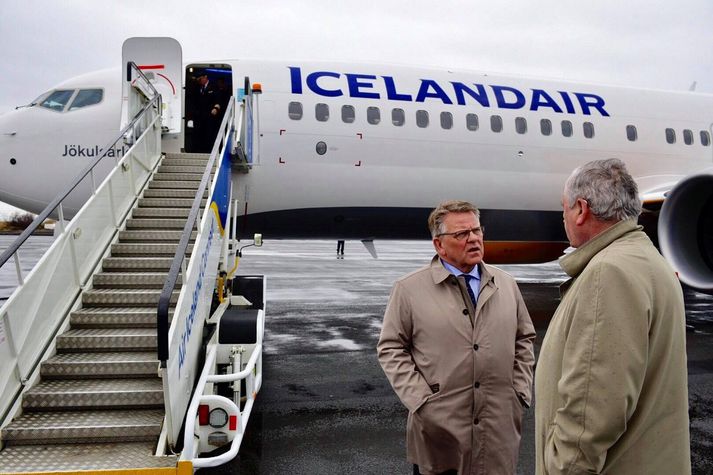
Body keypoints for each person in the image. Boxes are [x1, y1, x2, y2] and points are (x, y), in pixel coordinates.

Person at [535, 158, 690, 474]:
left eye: (564, 209)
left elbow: (593, 409)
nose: (563, 218)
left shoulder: (608, 272)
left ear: (581, 210)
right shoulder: (647, 260)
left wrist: (563, 468)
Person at [377, 200, 536, 475]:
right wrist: (421, 401)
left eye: (476, 230)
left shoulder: (506, 284)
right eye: (461, 234)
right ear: (439, 245)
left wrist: (518, 392)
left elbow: (524, 338)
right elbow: (391, 348)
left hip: (497, 432)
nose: (473, 238)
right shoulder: (409, 289)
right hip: (439, 433)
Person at [193, 73, 224, 152]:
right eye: (198, 80)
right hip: (201, 116)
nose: (200, 81)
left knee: (210, 134)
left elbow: (219, 100)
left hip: (211, 115)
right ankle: (201, 150)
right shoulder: (199, 88)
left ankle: (210, 151)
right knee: (200, 134)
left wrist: (216, 108)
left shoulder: (214, 86)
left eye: (200, 79)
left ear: (205, 77)